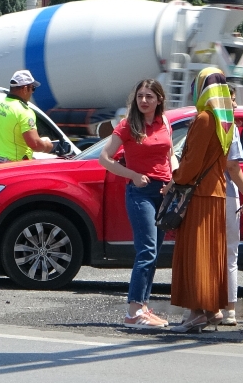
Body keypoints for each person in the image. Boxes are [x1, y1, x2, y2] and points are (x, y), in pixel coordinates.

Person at [99, 79, 174, 329]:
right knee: (146, 251)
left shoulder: (164, 122)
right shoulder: (128, 125)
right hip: (140, 192)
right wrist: (132, 175)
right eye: (140, 96)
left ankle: (143, 307)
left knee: (153, 254)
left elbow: (170, 154)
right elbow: (104, 158)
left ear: (159, 100)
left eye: (149, 96)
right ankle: (133, 312)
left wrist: (174, 180)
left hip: (163, 192)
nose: (143, 101)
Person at [170, 67, 233, 333]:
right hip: (216, 192)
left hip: (198, 194)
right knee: (211, 254)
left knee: (195, 253)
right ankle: (211, 309)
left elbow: (192, 161)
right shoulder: (224, 120)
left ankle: (196, 312)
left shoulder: (204, 118)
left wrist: (176, 175)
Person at [222, 85, 243, 326]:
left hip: (203, 196)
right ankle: (230, 309)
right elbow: (233, 166)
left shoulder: (199, 123)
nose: (235, 105)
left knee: (209, 253)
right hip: (227, 194)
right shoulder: (228, 128)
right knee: (231, 254)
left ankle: (207, 307)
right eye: (231, 100)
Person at [0, 70, 53, 163]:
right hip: (13, 165)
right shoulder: (24, 111)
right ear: (25, 89)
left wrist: (6, 143)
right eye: (33, 88)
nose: (32, 92)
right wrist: (47, 145)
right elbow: (34, 144)